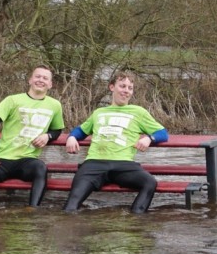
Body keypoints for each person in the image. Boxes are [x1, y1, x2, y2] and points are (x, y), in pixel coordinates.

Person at [62, 70, 168, 213]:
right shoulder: (99, 112)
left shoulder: (138, 112)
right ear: (112, 87)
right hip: (94, 164)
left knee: (149, 182)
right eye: (122, 86)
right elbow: (81, 131)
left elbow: (163, 133)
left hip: (123, 164)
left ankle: (135, 218)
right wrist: (71, 137)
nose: (126, 91)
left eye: (130, 88)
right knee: (71, 205)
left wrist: (149, 138)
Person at [0, 66, 64, 206]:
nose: (41, 80)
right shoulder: (13, 100)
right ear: (30, 80)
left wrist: (48, 136)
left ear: (50, 84)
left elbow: (57, 130)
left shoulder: (55, 105)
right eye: (37, 76)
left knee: (41, 168)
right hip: (2, 160)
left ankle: (32, 210)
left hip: (27, 161)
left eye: (45, 78)